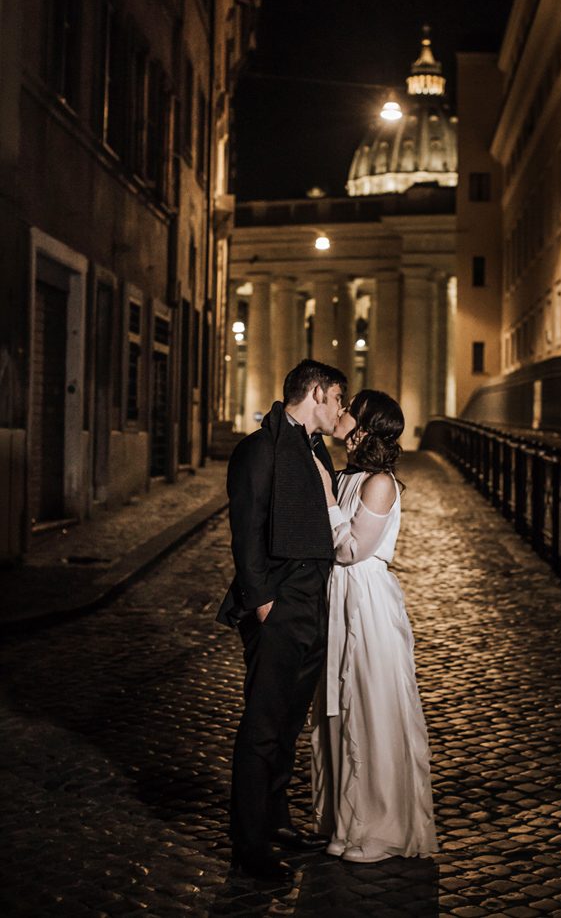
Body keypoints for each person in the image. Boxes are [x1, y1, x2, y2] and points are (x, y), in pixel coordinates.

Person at [216, 359, 347, 882]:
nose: (339, 409)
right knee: (264, 723)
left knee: (290, 722)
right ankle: (248, 843)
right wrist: (263, 600)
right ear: (316, 393)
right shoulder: (258, 448)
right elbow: (245, 528)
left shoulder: (317, 450)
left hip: (313, 598)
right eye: (337, 398)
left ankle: (276, 819)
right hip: (280, 601)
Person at [311, 389, 437, 863]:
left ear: (364, 428)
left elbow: (350, 550)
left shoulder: (380, 482)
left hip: (365, 600)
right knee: (337, 709)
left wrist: (323, 494)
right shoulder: (350, 476)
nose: (339, 415)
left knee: (368, 704)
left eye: (349, 411)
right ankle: (343, 822)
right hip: (339, 597)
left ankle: (379, 827)